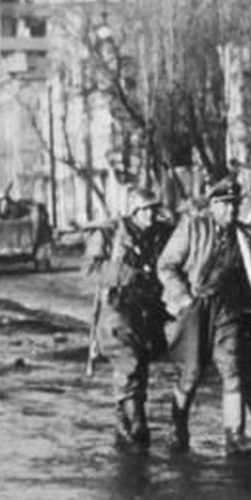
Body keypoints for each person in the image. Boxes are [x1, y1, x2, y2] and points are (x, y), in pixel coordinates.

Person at [157, 174, 251, 457]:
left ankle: (234, 435)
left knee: (232, 368)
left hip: (228, 307)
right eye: (224, 204)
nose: (231, 210)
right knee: (192, 371)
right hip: (196, 305)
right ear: (212, 205)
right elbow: (166, 265)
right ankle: (177, 425)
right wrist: (184, 298)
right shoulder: (193, 228)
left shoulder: (245, 236)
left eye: (235, 204)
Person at [84, 188, 172, 451]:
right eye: (145, 210)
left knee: (140, 365)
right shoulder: (110, 233)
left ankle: (125, 417)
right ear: (133, 212)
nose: (151, 215)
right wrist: (125, 274)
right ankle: (135, 422)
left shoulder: (160, 233)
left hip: (147, 309)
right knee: (129, 362)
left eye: (154, 209)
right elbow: (90, 269)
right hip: (117, 308)